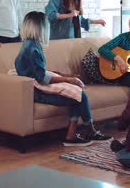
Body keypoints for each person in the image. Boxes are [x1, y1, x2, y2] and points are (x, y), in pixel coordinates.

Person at [14, 11, 112, 146]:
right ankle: (88, 132)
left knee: (77, 94)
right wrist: (69, 80)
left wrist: (65, 75)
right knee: (79, 95)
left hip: (35, 87)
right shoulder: (33, 49)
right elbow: (41, 78)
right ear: (40, 27)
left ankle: (72, 135)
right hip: (37, 92)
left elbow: (39, 71)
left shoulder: (30, 44)